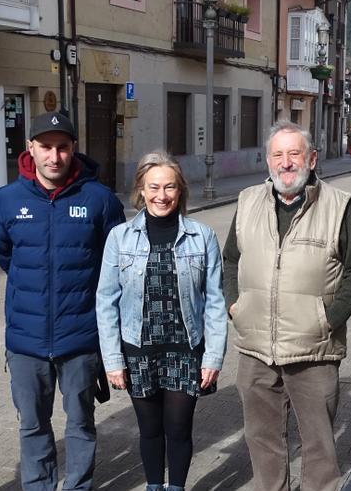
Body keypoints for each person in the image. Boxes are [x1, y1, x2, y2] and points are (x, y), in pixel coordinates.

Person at [222, 121, 351, 491]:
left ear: (312, 158)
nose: (286, 163)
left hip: (314, 350)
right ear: (268, 161)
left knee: (320, 445)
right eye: (278, 154)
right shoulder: (247, 202)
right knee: (261, 440)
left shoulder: (338, 206)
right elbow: (229, 260)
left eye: (295, 154)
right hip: (256, 348)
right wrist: (235, 306)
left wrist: (328, 319)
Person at [0, 111, 126, 491]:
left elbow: (112, 265)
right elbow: (6, 256)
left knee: (81, 423)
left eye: (62, 147)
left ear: (73, 149)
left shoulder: (99, 200)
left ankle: (79, 486)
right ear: (30, 148)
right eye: (45, 147)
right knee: (32, 425)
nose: (54, 156)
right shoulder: (6, 201)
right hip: (26, 341)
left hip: (81, 338)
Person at [96, 151, 227, 491]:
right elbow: (106, 302)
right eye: (153, 187)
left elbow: (214, 302)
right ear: (140, 189)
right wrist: (112, 360)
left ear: (180, 191)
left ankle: (177, 487)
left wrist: (212, 357)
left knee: (179, 428)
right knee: (150, 430)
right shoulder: (119, 238)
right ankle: (155, 485)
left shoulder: (203, 237)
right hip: (139, 351)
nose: (162, 196)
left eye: (169, 187)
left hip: (185, 351)